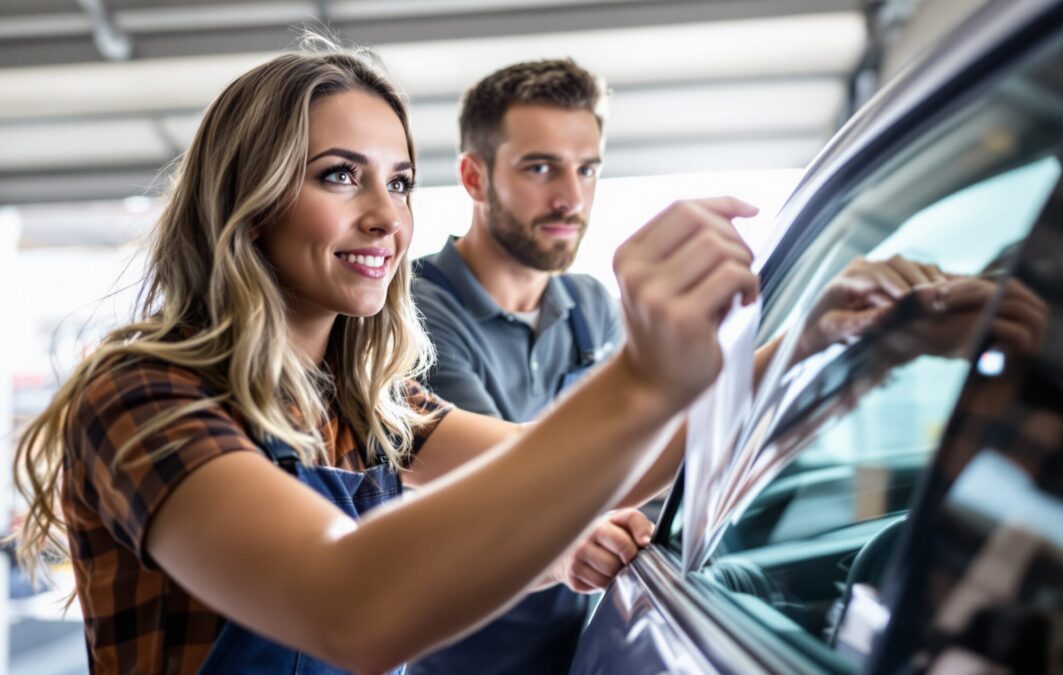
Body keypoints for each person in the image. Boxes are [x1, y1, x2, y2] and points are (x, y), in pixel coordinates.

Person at [10, 40, 761, 675]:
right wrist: (641, 379)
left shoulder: (366, 403)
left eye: (398, 182)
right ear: (250, 196)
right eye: (339, 175)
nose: (385, 217)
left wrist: (792, 352)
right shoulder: (142, 398)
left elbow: (595, 468)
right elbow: (345, 602)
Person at [409, 59, 641, 674]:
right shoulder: (413, 315)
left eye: (586, 168)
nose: (571, 197)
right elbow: (502, 497)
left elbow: (638, 458)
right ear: (474, 177)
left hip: (586, 651)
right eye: (541, 168)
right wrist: (567, 548)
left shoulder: (591, 306)